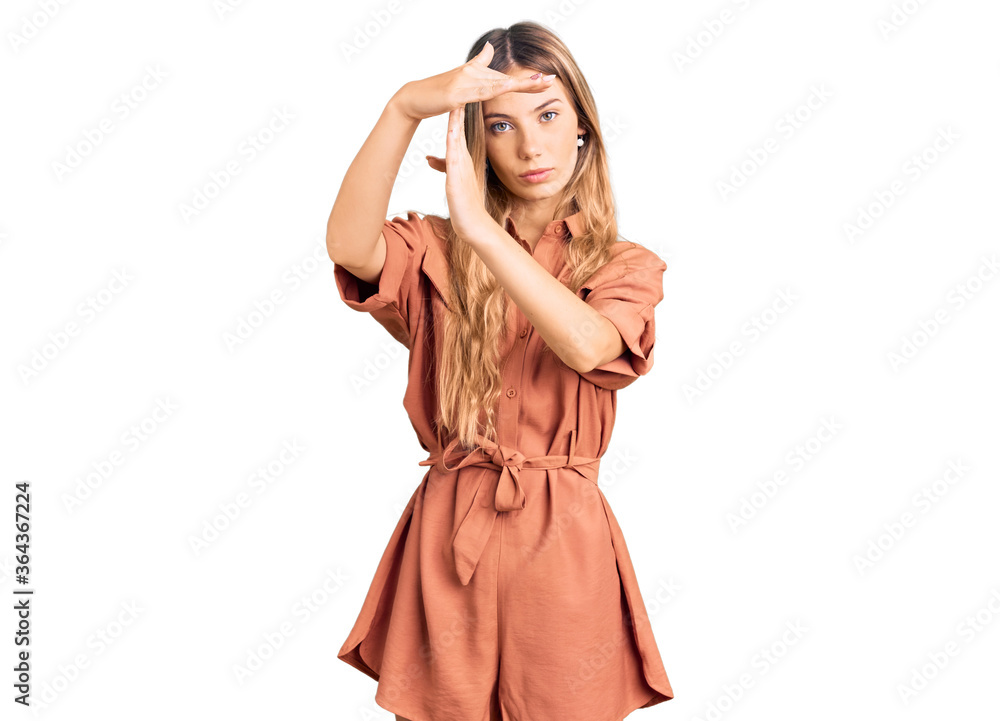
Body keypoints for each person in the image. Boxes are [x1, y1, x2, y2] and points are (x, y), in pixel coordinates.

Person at [327, 20, 674, 721]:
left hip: (562, 549)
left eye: (548, 115)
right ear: (474, 142)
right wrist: (402, 107)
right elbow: (351, 244)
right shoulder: (435, 246)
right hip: (448, 543)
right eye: (501, 125)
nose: (531, 144)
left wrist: (482, 229)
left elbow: (587, 345)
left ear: (583, 127)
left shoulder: (623, 264)